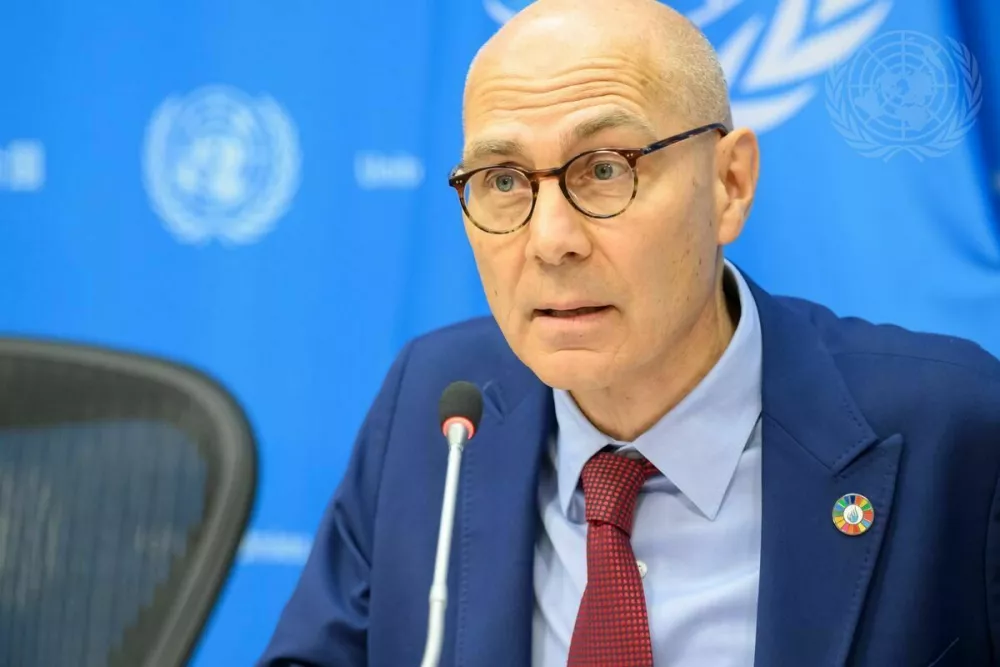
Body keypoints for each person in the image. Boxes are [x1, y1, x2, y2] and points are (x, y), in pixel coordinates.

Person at [257, 0, 1000, 665]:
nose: (552, 241)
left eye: (606, 169)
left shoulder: (958, 431)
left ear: (729, 184)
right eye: (504, 180)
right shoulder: (438, 403)